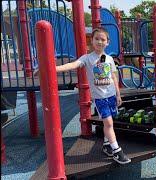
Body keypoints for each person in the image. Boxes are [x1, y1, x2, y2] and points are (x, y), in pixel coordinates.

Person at [36, 27, 131, 164]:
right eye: (97, 39)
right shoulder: (87, 58)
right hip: (100, 98)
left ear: (107, 42)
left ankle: (106, 145)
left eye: (102, 39)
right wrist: (53, 68)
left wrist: (118, 94)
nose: (99, 41)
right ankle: (117, 151)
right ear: (91, 41)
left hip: (111, 96)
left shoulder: (109, 59)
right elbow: (73, 64)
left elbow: (114, 77)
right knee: (109, 123)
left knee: (110, 123)